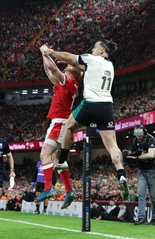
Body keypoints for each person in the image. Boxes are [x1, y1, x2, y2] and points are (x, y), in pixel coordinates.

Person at [41, 40, 129, 207]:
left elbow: (70, 57)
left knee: (69, 126)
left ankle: (63, 159)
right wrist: (67, 62)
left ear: (102, 50)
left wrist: (49, 52)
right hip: (107, 107)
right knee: (112, 146)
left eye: (95, 46)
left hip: (91, 104)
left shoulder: (91, 59)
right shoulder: (110, 66)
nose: (92, 49)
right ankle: (121, 174)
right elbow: (80, 67)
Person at [34, 44, 83, 209]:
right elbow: (49, 71)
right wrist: (44, 54)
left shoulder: (68, 81)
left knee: (44, 156)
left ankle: (47, 188)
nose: (66, 66)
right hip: (62, 123)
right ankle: (69, 191)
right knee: (56, 161)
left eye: (68, 66)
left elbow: (53, 69)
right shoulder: (67, 84)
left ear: (72, 71)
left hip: (59, 123)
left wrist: (46, 52)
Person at [124, 125, 155, 225]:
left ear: (144, 133)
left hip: (152, 171)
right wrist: (128, 154)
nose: (139, 137)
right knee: (141, 194)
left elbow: (151, 154)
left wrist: (138, 157)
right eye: (137, 135)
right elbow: (132, 154)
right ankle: (141, 218)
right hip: (141, 171)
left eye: (140, 135)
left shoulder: (151, 139)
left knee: (153, 196)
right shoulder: (135, 140)